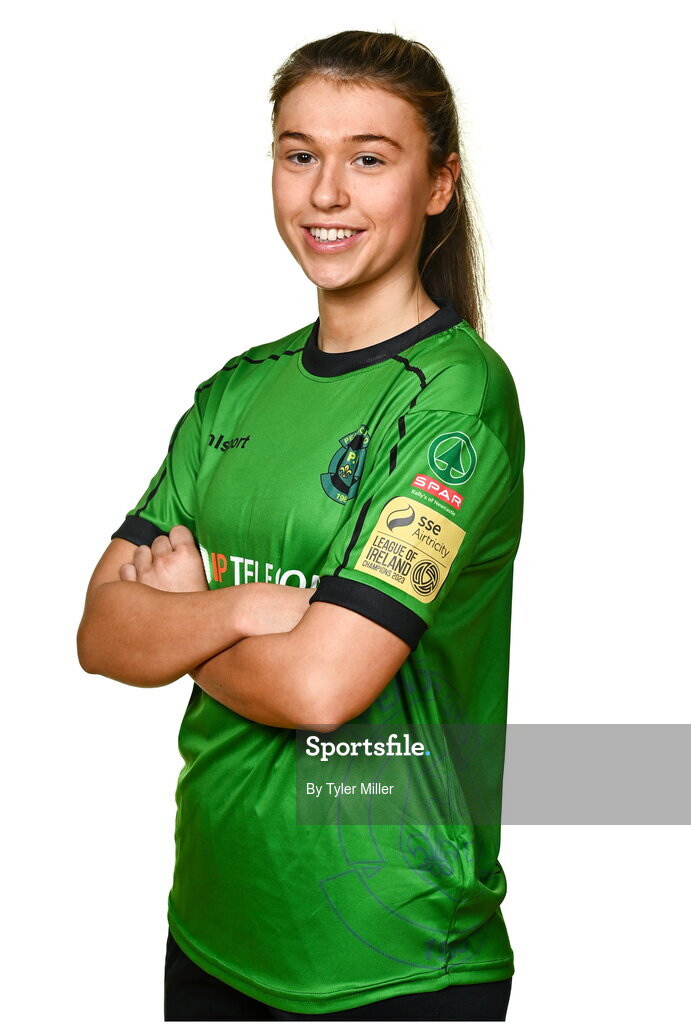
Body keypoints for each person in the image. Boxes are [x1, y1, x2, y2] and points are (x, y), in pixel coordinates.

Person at [77, 29, 524, 1023]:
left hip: (392, 964)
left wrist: (181, 620)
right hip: (211, 930)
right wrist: (242, 607)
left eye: (369, 157)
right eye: (298, 153)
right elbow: (102, 634)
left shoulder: (453, 403)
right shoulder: (237, 391)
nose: (325, 193)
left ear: (438, 184)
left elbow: (325, 687)